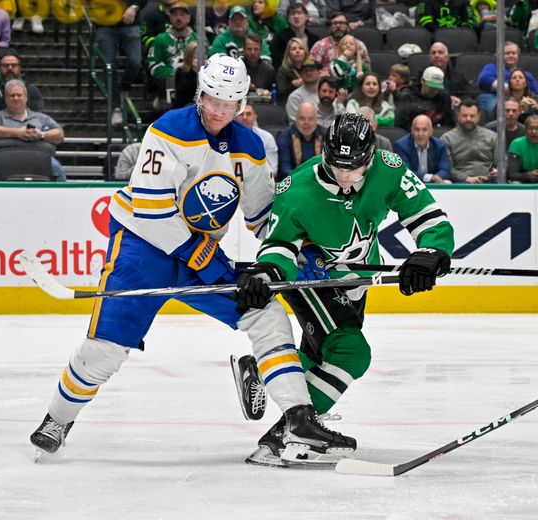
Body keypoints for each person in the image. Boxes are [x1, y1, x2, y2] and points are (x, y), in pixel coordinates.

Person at [29, 54, 355, 465]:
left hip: (199, 255)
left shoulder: (251, 148)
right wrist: (201, 254)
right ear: (200, 94)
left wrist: (302, 248)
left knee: (265, 311)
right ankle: (58, 420)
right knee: (106, 349)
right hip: (140, 249)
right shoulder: (168, 130)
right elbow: (150, 209)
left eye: (229, 103)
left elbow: (262, 218)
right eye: (212, 100)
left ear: (241, 105)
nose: (219, 110)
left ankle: (297, 418)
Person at [235, 113, 454, 466]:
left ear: (369, 157)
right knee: (350, 351)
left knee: (322, 353)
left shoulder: (389, 167)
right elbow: (279, 245)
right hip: (313, 273)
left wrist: (430, 251)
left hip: (355, 277)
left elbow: (428, 217)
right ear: (325, 154)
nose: (345, 177)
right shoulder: (298, 190)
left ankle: (261, 374)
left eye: (354, 169)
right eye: (337, 167)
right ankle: (288, 432)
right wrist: (267, 272)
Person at [0, 79, 66, 181]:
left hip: (39, 156)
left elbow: (59, 134)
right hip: (2, 157)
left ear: (26, 98)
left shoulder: (41, 118)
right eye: (12, 95)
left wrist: (41, 134)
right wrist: (18, 133)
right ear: (6, 99)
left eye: (19, 95)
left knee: (58, 170)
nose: (16, 98)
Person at [94, 0, 146, 126]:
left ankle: (124, 87)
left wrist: (134, 7)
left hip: (130, 23)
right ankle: (116, 108)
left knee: (135, 62)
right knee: (109, 67)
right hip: (104, 25)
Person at [146, 1, 196, 110]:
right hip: (167, 88)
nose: (178, 18)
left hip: (193, 89)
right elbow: (153, 66)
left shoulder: (198, 39)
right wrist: (175, 75)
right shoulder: (160, 39)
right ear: (170, 18)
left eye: (182, 15)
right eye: (175, 15)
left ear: (188, 18)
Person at [477, 42, 538, 122]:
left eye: (513, 53)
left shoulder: (526, 74)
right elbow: (484, 79)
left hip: (520, 99)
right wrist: (509, 88)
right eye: (507, 53)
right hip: (494, 96)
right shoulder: (492, 67)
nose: (511, 55)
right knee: (497, 107)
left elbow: (535, 92)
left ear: (518, 56)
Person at [440, 99, 497, 183]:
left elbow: (500, 163)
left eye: (472, 116)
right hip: (460, 183)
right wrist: (466, 178)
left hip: (489, 182)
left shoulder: (492, 136)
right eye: (464, 115)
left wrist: (497, 171)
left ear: (479, 116)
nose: (468, 119)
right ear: (458, 116)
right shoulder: (447, 138)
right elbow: (447, 168)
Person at [0, 49, 44, 116]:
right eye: (6, 65)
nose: (10, 68)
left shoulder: (31, 90)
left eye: (14, 65)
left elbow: (38, 117)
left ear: (19, 68)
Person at [394, 114, 452, 183]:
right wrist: (431, 178)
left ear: (431, 132)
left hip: (434, 185)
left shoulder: (440, 145)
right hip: (410, 184)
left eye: (424, 130)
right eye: (417, 129)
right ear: (411, 131)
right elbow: (405, 172)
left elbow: (445, 170)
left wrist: (437, 178)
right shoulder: (401, 146)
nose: (420, 134)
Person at [277, 101, 324, 178]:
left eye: (311, 119)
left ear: (316, 120)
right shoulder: (284, 136)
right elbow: (284, 168)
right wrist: (303, 180)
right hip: (294, 182)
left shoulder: (326, 136)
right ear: (295, 119)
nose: (306, 123)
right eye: (302, 118)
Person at [269, 2, 321, 71]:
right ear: (288, 18)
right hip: (287, 74)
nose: (296, 16)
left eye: (299, 13)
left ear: (307, 17)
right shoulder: (279, 38)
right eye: (292, 14)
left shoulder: (314, 39)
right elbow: (277, 63)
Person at [421, 42, 473, 107]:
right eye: (433, 53)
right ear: (430, 58)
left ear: (447, 57)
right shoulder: (423, 75)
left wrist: (461, 101)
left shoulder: (458, 76)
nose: (436, 55)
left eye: (440, 52)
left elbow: (469, 94)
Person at [237, 102, 279, 176]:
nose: (244, 117)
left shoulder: (267, 138)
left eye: (248, 114)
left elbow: (273, 170)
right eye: (241, 114)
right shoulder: (225, 137)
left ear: (255, 117)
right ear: (235, 117)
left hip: (259, 182)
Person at [284, 59, 321, 123]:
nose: (308, 73)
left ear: (319, 73)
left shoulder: (327, 93)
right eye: (305, 71)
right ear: (301, 75)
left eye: (312, 70)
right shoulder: (295, 97)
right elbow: (298, 123)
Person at [507, 113, 538, 183]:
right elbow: (512, 175)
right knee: (515, 183)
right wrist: (528, 175)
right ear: (525, 130)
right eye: (530, 129)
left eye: (537, 128)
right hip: (524, 180)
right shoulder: (517, 144)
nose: (534, 132)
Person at [171, 40, 198, 108]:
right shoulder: (181, 71)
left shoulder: (209, 71)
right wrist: (194, 71)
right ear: (189, 56)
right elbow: (184, 93)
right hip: (185, 106)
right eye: (195, 56)